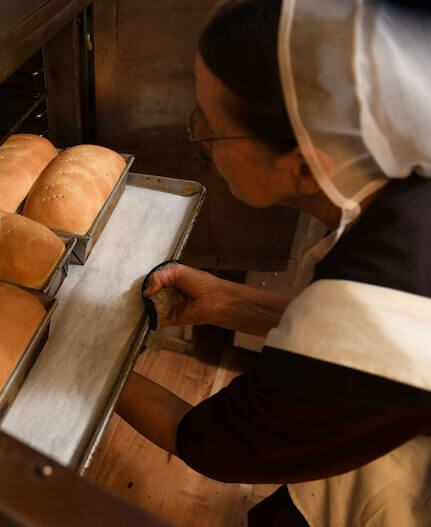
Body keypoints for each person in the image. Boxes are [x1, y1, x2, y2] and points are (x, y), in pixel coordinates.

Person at [115, 0, 431, 525]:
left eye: (212, 129)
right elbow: (344, 346)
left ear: (305, 168)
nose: (197, 137)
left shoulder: (378, 300)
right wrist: (229, 301)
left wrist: (85, 359)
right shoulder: (405, 184)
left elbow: (221, 445)